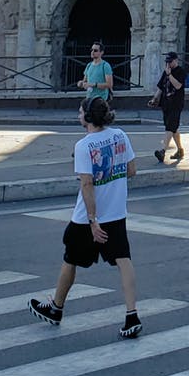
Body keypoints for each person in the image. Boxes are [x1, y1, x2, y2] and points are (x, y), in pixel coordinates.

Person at [31, 98, 141, 339]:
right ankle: (132, 314)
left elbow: (87, 184)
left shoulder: (84, 146)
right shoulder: (120, 135)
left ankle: (56, 308)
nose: (78, 115)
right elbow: (131, 170)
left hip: (88, 217)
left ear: (89, 117)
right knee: (123, 260)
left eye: (80, 112)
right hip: (116, 212)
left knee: (70, 258)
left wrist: (93, 221)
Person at [147, 53, 187, 164]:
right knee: (173, 128)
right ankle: (180, 150)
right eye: (167, 62)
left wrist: (170, 75)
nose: (168, 64)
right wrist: (154, 99)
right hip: (166, 103)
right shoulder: (166, 72)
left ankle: (163, 151)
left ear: (176, 61)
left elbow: (178, 86)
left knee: (169, 127)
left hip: (176, 104)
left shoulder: (180, 72)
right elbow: (161, 87)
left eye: (170, 61)